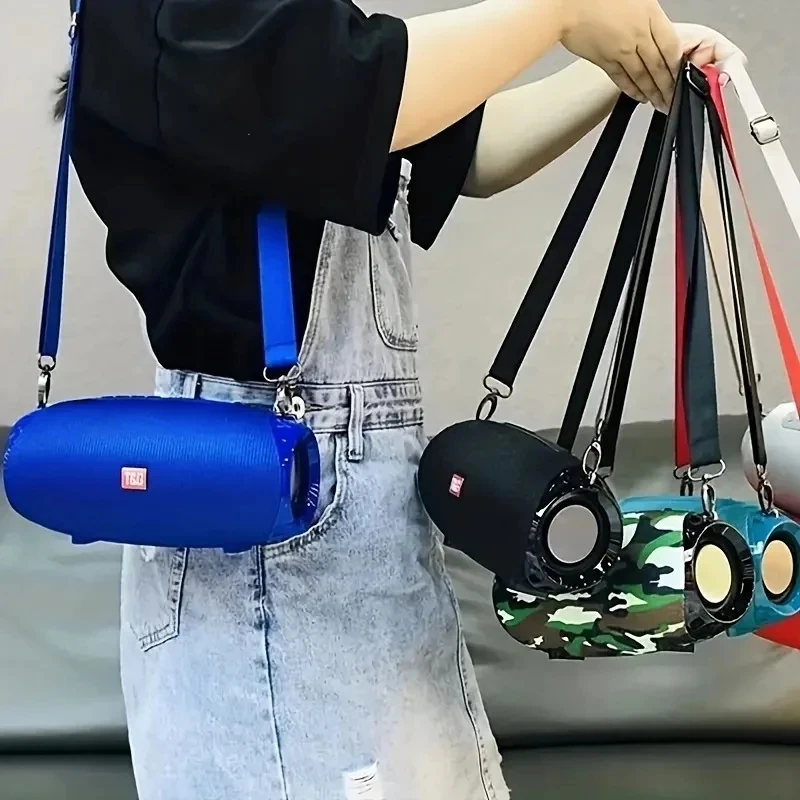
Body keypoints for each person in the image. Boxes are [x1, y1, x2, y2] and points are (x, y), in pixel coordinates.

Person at [60, 0, 742, 797]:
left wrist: (629, 68)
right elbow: (376, 92)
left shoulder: (285, 37)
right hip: (265, 543)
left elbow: (466, 148)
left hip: (364, 542)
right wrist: (563, 8)